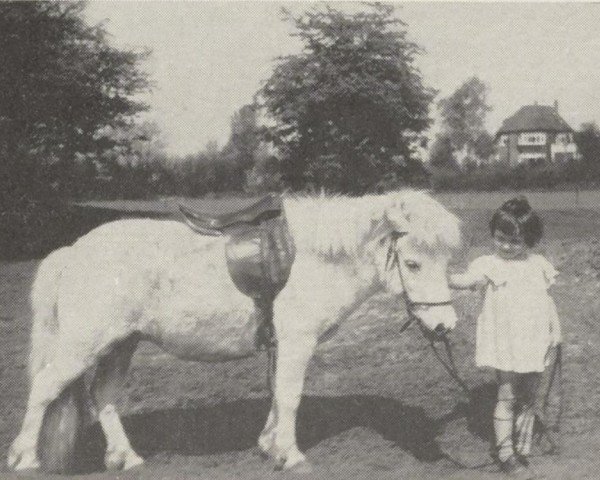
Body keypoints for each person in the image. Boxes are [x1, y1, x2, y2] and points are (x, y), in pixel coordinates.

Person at [449, 196, 561, 477]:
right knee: (507, 394)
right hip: (508, 342)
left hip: (535, 337)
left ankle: (523, 443)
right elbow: (465, 280)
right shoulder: (488, 264)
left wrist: (556, 331)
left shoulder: (538, 264)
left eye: (516, 241)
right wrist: (436, 274)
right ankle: (505, 451)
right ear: (493, 235)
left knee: (531, 393)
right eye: (501, 239)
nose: (507, 246)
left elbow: (547, 301)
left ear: (529, 241)